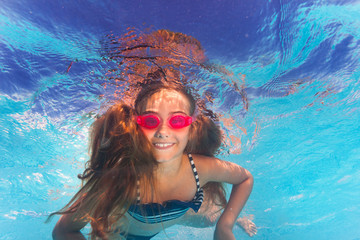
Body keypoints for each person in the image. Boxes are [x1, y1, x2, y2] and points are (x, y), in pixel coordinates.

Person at [49, 81, 256, 239]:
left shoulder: (200, 168)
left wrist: (226, 224)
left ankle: (238, 220)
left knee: (211, 218)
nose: (163, 131)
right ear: (136, 127)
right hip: (125, 234)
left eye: (177, 120)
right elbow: (63, 231)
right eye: (150, 120)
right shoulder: (121, 179)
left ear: (191, 128)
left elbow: (245, 178)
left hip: (177, 215)